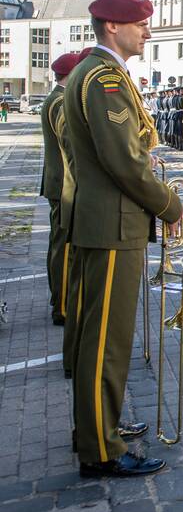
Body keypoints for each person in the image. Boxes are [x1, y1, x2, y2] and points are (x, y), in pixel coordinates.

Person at [63, 0, 183, 477]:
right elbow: (123, 161)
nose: (148, 30)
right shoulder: (104, 79)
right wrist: (170, 205)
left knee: (105, 336)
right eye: (140, 23)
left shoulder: (105, 75)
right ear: (113, 27)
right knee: (106, 342)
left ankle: (101, 426)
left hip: (110, 222)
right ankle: (100, 448)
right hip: (111, 224)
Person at [40, 52, 79, 327]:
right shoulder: (61, 101)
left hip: (59, 182)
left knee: (60, 244)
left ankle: (60, 299)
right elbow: (70, 146)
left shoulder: (58, 98)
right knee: (63, 247)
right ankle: (62, 304)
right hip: (63, 183)